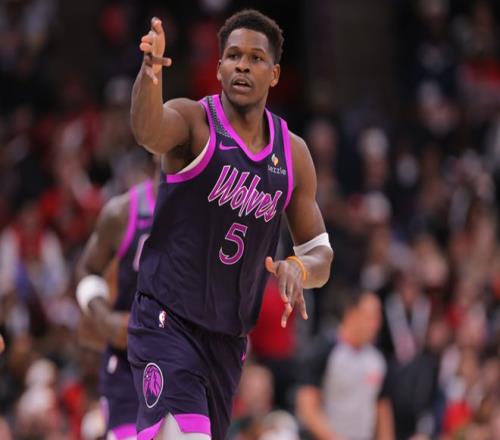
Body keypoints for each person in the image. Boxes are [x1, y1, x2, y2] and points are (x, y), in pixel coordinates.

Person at [129, 9, 334, 440]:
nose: (243, 65)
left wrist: (299, 267)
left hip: (227, 339)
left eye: (256, 58)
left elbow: (320, 252)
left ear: (274, 74)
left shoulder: (293, 155)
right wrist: (150, 73)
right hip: (166, 318)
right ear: (219, 66)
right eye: (234, 56)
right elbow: (148, 131)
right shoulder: (193, 122)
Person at [76, 158, 158, 440]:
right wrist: (104, 318)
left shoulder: (211, 209)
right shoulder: (123, 211)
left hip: (186, 361)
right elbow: (86, 269)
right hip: (128, 361)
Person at [296, 290, 395, 440]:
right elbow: (307, 407)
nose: (375, 325)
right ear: (351, 314)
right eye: (370, 317)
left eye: (378, 318)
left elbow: (383, 410)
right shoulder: (325, 351)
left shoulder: (378, 360)